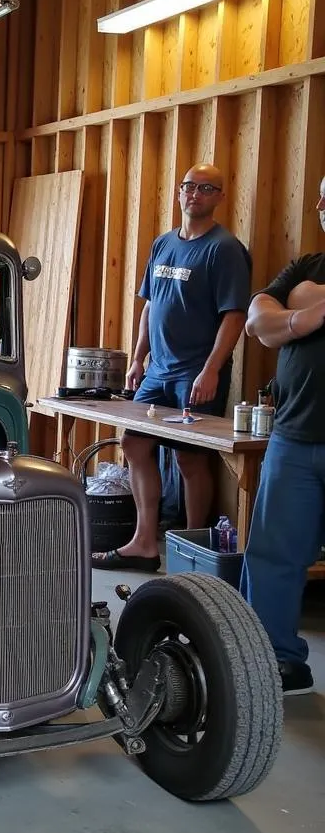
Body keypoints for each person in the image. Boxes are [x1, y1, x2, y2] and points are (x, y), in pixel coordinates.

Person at [92, 163, 252, 572]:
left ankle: (192, 548)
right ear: (178, 192)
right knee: (134, 445)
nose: (193, 194)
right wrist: (138, 357)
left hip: (195, 372)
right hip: (158, 371)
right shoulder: (163, 243)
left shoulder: (224, 249)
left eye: (204, 188)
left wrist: (212, 369)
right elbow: (149, 306)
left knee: (190, 459)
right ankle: (145, 542)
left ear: (218, 196)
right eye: (187, 186)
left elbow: (234, 316)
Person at [240, 174, 325, 695]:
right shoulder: (305, 269)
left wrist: (299, 310)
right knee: (273, 554)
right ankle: (273, 657)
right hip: (294, 438)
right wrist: (307, 315)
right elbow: (257, 320)